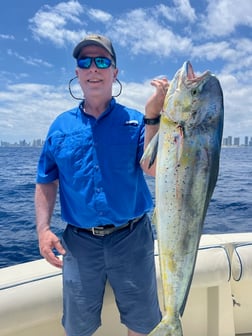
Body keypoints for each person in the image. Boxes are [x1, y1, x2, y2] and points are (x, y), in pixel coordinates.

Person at [35, 34, 169, 336]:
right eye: (85, 61)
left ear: (114, 72)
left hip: (132, 239)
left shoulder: (137, 121)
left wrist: (153, 116)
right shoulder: (59, 126)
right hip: (79, 245)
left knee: (143, 324)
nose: (93, 68)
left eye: (102, 61)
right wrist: (43, 229)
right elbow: (46, 181)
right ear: (77, 73)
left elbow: (153, 168)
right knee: (78, 328)